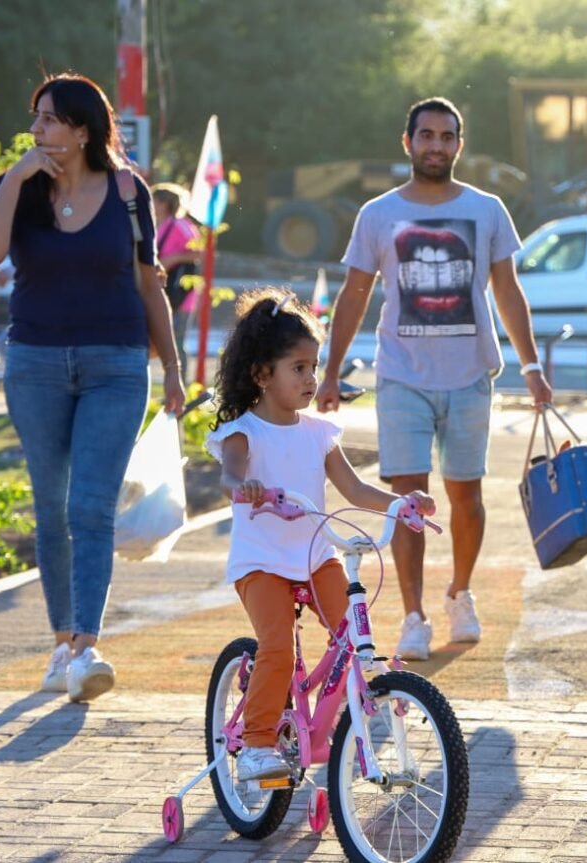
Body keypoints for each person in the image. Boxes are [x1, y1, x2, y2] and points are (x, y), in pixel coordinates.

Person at [313, 97, 552, 661]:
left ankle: (460, 594)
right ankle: (414, 615)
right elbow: (355, 293)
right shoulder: (377, 214)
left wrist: (534, 366)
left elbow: (508, 291)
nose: (436, 146)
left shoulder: (487, 209)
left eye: (447, 137)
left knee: (466, 496)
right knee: (408, 502)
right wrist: (329, 372)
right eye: (427, 136)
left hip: (469, 375)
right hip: (401, 376)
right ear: (408, 142)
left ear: (459, 146)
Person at [0, 72, 185, 703]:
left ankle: (87, 647)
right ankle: (62, 640)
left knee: (89, 508)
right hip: (34, 363)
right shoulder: (16, 189)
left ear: (81, 128)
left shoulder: (127, 191)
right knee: (51, 509)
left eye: (47, 119)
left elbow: (151, 285)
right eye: (35, 117)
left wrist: (172, 368)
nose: (36, 129)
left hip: (116, 363)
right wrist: (14, 179)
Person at [207, 287, 436, 780]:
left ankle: (336, 726)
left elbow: (353, 487)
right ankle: (257, 743)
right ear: (261, 374)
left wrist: (401, 503)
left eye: (315, 366)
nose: (312, 378)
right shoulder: (244, 433)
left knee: (354, 638)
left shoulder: (318, 432)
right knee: (276, 647)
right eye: (299, 368)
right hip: (261, 561)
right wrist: (246, 486)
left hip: (315, 555)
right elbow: (229, 477)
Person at [152, 183, 202, 381]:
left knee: (176, 340)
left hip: (181, 293)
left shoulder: (180, 225)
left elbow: (198, 252)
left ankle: (180, 382)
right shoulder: (160, 225)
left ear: (164, 204)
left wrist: (172, 259)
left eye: (153, 200)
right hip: (165, 291)